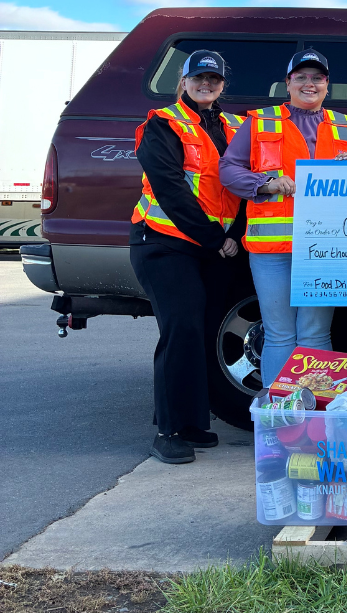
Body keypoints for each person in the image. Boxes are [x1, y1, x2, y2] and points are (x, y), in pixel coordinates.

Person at [219, 49, 347, 386]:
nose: (309, 83)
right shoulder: (259, 121)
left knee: (314, 335)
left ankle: (311, 421)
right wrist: (265, 184)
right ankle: (277, 423)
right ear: (288, 82)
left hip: (324, 251)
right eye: (301, 77)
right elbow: (227, 169)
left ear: (328, 85)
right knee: (280, 334)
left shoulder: (346, 127)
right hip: (273, 250)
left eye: (317, 78)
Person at [129, 50, 245, 464]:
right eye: (198, 78)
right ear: (183, 81)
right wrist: (216, 238)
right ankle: (168, 430)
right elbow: (170, 189)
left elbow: (242, 184)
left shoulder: (235, 126)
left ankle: (195, 424)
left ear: (222, 85)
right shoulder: (163, 123)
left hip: (212, 245)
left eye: (213, 79)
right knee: (179, 328)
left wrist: (234, 234)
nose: (206, 85)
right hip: (163, 243)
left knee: (202, 329)